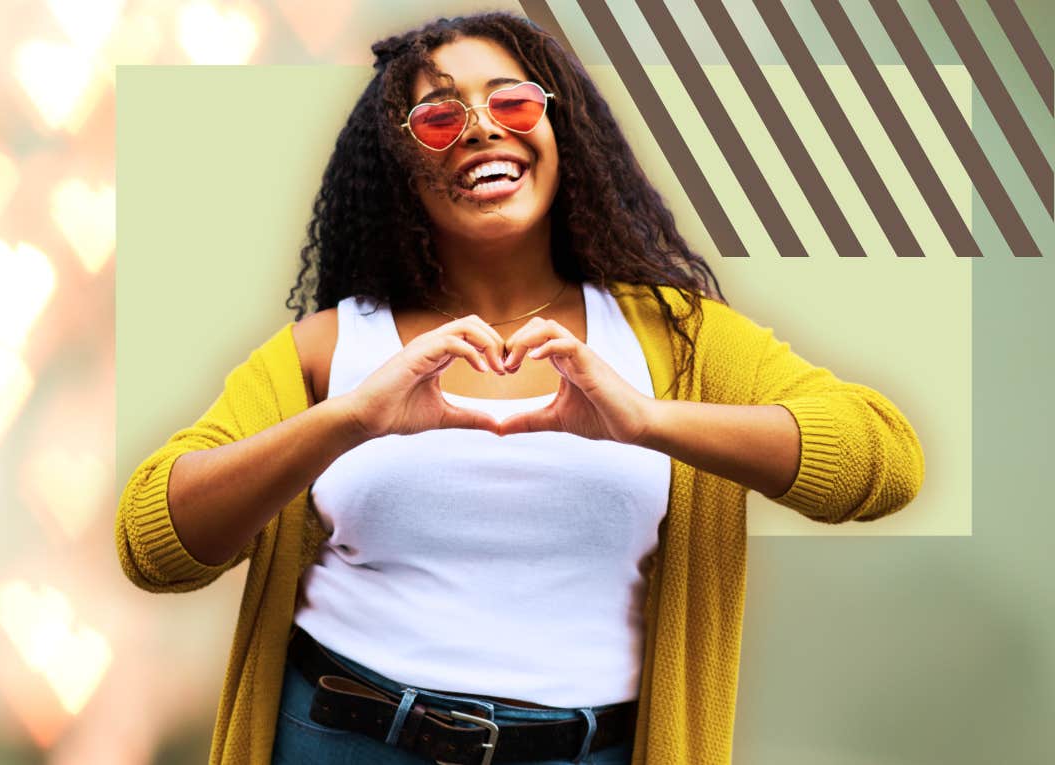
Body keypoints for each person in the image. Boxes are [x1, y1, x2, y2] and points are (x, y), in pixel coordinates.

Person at [115, 11, 925, 765]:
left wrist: (647, 422)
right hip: (343, 737)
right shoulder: (332, 348)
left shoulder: (678, 341)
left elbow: (882, 461)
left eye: (511, 101)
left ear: (559, 126)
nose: (480, 128)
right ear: (399, 166)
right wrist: (349, 419)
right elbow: (154, 545)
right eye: (439, 117)